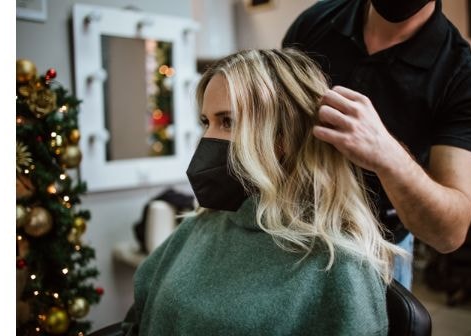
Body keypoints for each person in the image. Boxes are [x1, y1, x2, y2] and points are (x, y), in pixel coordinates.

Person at [120, 49, 405, 335]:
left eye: (227, 121)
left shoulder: (339, 266)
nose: (206, 139)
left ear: (283, 137)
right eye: (206, 122)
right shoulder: (198, 226)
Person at [283, 0, 471, 288]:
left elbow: (449, 233)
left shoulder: (462, 78)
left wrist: (387, 154)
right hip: (294, 235)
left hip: (376, 255)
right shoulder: (316, 22)